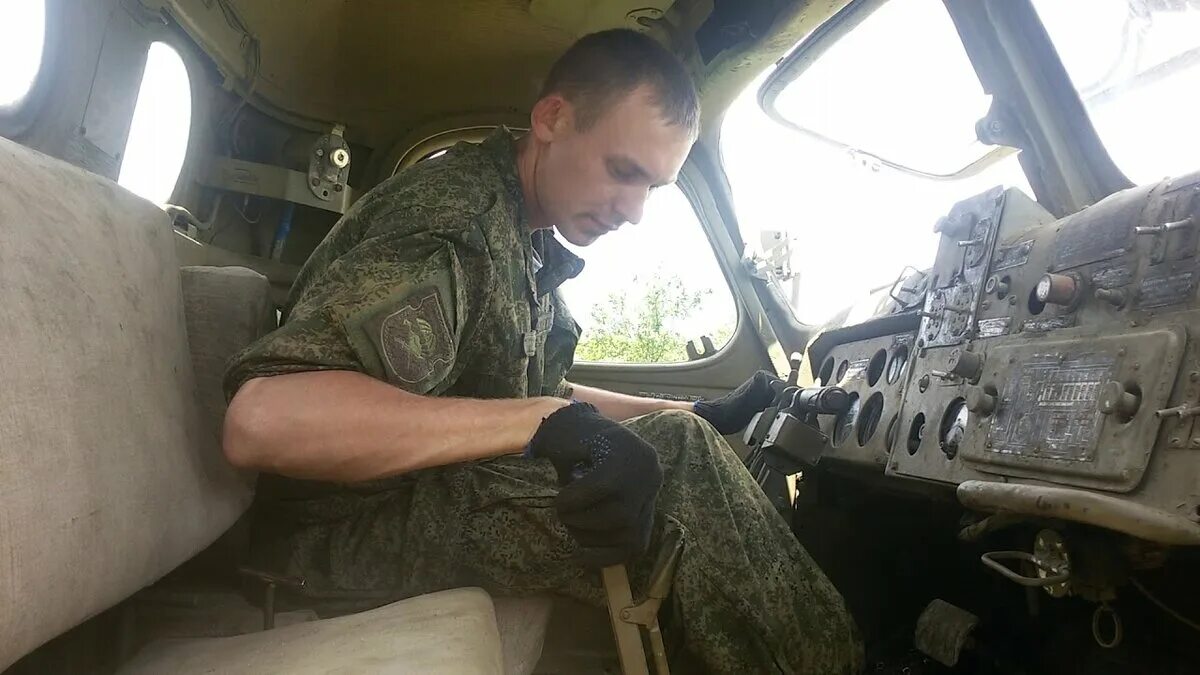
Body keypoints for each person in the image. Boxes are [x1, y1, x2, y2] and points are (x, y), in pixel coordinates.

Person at [222, 28, 862, 674]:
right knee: (681, 467)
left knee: (681, 439)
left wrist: (697, 410)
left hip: (406, 504)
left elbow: (545, 397)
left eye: (653, 187)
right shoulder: (455, 225)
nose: (634, 211)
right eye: (624, 171)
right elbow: (264, 419)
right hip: (334, 540)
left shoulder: (522, 234)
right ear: (552, 119)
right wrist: (542, 421)